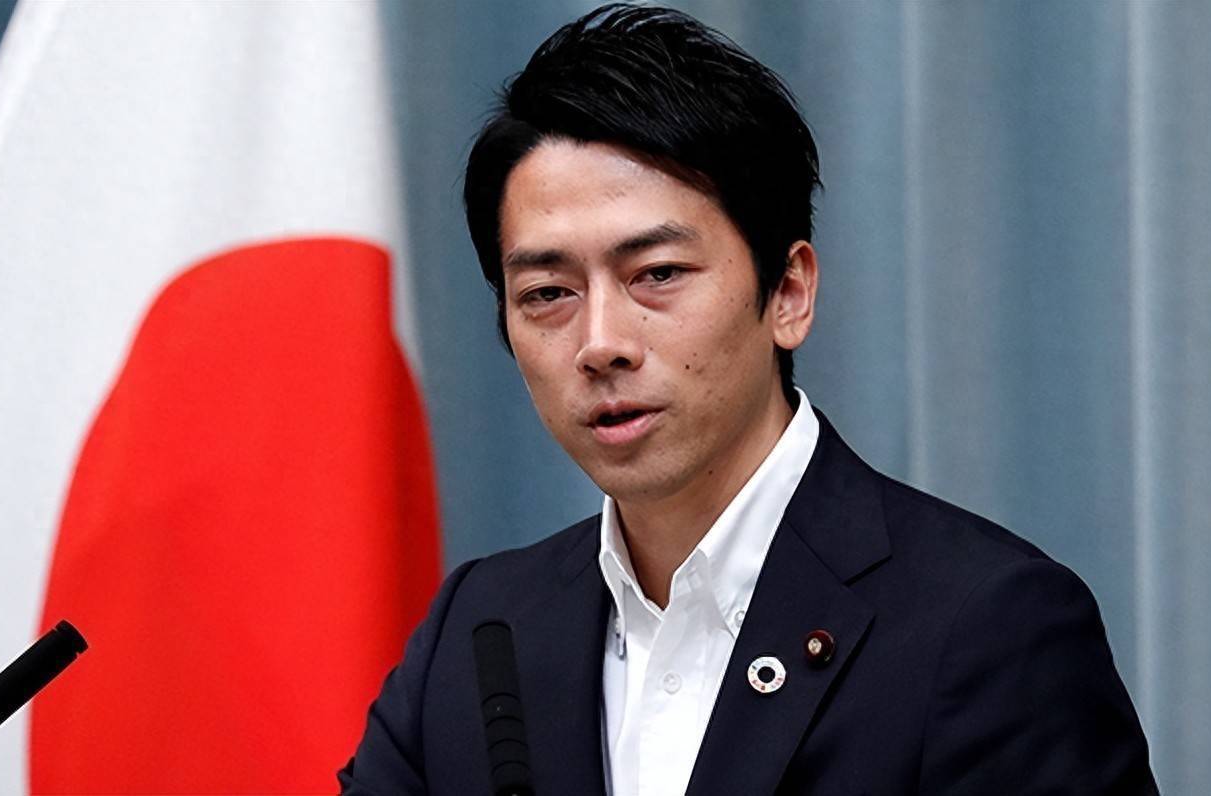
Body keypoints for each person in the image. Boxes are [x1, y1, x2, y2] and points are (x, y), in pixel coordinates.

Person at [340, 5, 1156, 794]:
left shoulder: (985, 624)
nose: (600, 343)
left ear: (789, 293)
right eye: (548, 292)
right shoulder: (479, 632)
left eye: (657, 274)